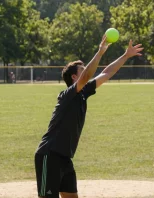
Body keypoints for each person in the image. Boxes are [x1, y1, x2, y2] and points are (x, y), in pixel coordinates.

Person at [34, 35, 143, 198]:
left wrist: (125, 55)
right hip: (49, 155)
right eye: (82, 70)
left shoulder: (84, 92)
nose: (86, 72)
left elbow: (106, 73)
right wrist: (100, 52)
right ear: (74, 77)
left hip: (65, 158)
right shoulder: (67, 94)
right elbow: (86, 77)